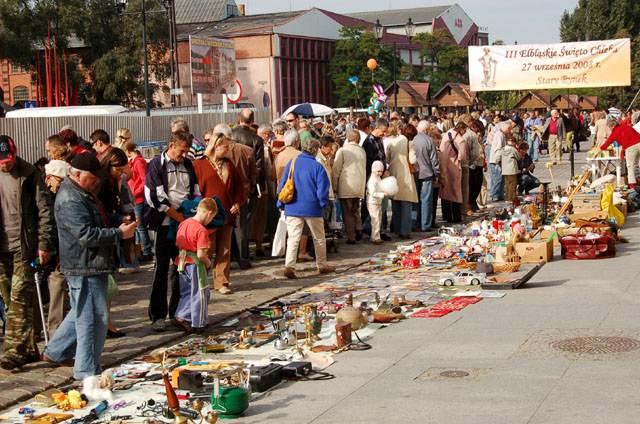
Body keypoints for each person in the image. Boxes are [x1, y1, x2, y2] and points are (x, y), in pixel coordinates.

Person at [43, 152, 137, 379]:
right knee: (93, 318)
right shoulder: (70, 198)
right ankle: (86, 370)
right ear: (77, 174)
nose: (96, 182)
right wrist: (118, 234)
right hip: (84, 264)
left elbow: (98, 219)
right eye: (92, 178)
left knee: (81, 312)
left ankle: (55, 352)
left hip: (90, 263)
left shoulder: (83, 192)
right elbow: (85, 234)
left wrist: (118, 221)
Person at [0, 136, 55, 369]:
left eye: (8, 160)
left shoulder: (29, 174)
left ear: (15, 154)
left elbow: (45, 211)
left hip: (24, 244)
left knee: (18, 295)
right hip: (1, 248)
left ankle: (14, 351)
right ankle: (30, 347)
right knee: (8, 297)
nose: (5, 164)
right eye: (1, 161)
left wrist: (44, 244)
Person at [145, 131, 200, 331]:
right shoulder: (156, 165)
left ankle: (179, 313)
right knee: (160, 270)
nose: (183, 155)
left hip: (183, 225)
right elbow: (155, 197)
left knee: (181, 270)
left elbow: (195, 191)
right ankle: (157, 314)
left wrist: (192, 212)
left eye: (186, 151)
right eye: (181, 150)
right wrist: (179, 216)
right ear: (171, 145)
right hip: (163, 224)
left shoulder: (188, 165)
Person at [194, 125, 244, 294]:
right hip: (208, 215)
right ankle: (200, 280)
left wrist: (238, 203)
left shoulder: (230, 165)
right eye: (225, 146)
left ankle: (221, 282)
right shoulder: (200, 165)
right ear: (216, 145)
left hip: (227, 213)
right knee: (207, 248)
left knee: (224, 249)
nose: (228, 149)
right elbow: (195, 190)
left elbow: (239, 187)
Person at [277, 133, 335, 279]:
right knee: (318, 237)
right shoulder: (317, 167)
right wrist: (323, 204)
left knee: (293, 238)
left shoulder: (292, 163)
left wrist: (281, 203)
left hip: (293, 206)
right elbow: (323, 190)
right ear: (315, 150)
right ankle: (321, 264)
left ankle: (289, 265)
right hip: (312, 207)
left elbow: (283, 184)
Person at [174, 198, 217, 333]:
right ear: (209, 213)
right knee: (200, 293)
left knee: (186, 291)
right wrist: (209, 263)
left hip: (182, 261)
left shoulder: (184, 223)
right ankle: (197, 322)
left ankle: (182, 315)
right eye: (212, 218)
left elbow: (178, 242)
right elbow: (200, 254)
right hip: (195, 264)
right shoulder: (201, 230)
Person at [332, 129, 366, 244]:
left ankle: (351, 236)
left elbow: (336, 170)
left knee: (347, 212)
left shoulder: (343, 151)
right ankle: (359, 228)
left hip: (346, 185)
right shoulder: (362, 151)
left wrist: (334, 186)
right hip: (359, 185)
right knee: (356, 210)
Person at [227, 134, 256, 269]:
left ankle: (230, 256)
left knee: (228, 228)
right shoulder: (247, 150)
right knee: (241, 228)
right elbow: (253, 174)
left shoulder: (219, 151)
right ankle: (243, 258)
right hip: (243, 193)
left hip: (225, 193)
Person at [386, 123, 418, 239]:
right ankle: (405, 231)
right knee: (406, 205)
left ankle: (396, 228)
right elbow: (412, 160)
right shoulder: (410, 143)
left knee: (396, 204)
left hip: (394, 175)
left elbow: (388, 158)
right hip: (405, 176)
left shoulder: (393, 142)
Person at [124, 141, 153, 262]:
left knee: (141, 227)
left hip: (138, 198)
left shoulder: (139, 162)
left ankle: (146, 251)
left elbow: (144, 180)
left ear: (128, 151)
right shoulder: (132, 162)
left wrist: (136, 192)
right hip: (134, 199)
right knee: (138, 226)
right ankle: (141, 250)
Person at [599, 116, 640, 189]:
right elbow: (636, 133)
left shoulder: (615, 132)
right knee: (636, 164)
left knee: (630, 166)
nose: (609, 128)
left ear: (612, 125)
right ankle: (638, 180)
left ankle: (633, 185)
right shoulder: (625, 126)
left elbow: (606, 144)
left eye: (609, 126)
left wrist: (600, 148)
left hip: (630, 148)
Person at [414, 121, 440, 231]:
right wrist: (437, 173)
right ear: (426, 130)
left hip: (415, 173)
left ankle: (416, 223)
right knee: (426, 200)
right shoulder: (429, 140)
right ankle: (425, 224)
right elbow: (434, 159)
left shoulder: (412, 140)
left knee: (416, 200)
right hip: (427, 173)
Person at [439, 123, 466, 223]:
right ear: (462, 129)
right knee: (455, 192)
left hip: (444, 165)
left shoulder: (446, 134)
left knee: (445, 191)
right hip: (454, 167)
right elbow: (462, 156)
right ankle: (456, 217)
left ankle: (446, 215)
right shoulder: (461, 140)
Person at [488, 120, 511, 201]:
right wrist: (498, 161)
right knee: (497, 178)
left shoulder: (502, 135)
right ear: (506, 128)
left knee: (501, 178)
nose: (510, 131)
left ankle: (500, 194)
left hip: (499, 160)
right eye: (509, 129)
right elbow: (498, 149)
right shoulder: (499, 135)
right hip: (495, 160)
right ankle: (494, 195)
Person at [366, 161, 386, 244]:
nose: (380, 173)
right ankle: (375, 237)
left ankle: (375, 236)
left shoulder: (378, 178)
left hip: (377, 202)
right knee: (375, 220)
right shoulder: (372, 180)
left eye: (381, 171)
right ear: (373, 170)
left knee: (378, 219)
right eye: (378, 171)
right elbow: (373, 193)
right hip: (372, 202)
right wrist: (382, 194)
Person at [495, 138, 520, 202]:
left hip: (505, 170)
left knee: (507, 185)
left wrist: (501, 163)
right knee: (513, 184)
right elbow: (518, 157)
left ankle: (507, 198)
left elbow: (497, 158)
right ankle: (512, 198)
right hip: (512, 169)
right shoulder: (513, 149)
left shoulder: (502, 149)